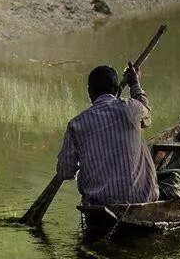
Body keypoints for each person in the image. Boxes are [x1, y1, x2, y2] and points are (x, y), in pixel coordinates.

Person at [55, 62, 157, 207]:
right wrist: (135, 83)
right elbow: (146, 117)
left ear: (89, 92)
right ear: (116, 89)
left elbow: (65, 172)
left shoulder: (76, 124)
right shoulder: (131, 107)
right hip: (140, 201)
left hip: (97, 204)